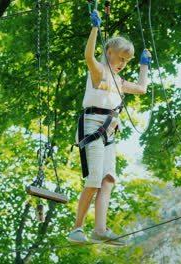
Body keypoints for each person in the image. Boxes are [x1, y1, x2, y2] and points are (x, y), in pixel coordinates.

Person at [67, 10, 151, 246]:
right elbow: (88, 56)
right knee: (93, 180)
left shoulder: (120, 82)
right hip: (92, 126)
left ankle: (100, 229)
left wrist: (144, 65)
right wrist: (95, 29)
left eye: (127, 61)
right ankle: (77, 229)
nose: (123, 64)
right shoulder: (99, 72)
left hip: (110, 132)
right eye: (121, 58)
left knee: (108, 180)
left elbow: (142, 88)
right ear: (109, 53)